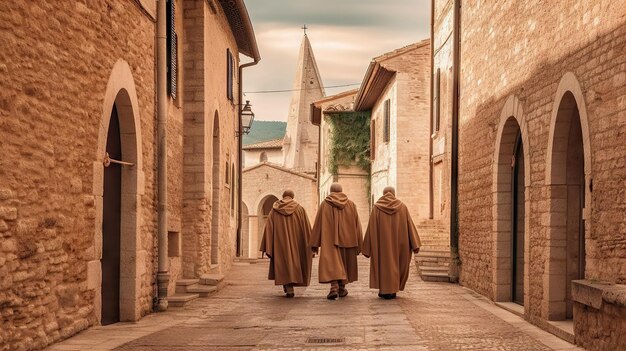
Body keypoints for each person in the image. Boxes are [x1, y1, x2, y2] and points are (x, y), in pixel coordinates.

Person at [362, 187, 421, 299]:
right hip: (399, 245)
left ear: (383, 194)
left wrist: (367, 248)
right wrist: (415, 245)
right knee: (397, 264)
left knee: (383, 265)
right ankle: (393, 289)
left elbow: (371, 229)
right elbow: (410, 226)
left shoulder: (376, 208)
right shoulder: (402, 207)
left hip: (381, 246)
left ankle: (384, 290)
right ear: (394, 194)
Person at [311, 183, 363, 300]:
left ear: (330, 191)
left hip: (329, 240)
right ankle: (341, 288)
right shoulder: (351, 204)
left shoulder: (324, 204)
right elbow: (357, 224)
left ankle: (334, 287)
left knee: (332, 263)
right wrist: (359, 242)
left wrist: (315, 243)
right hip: (348, 240)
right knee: (344, 263)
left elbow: (318, 223)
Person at [259, 190, 313, 297]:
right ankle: (290, 286)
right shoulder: (300, 209)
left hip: (280, 244)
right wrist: (310, 244)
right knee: (295, 263)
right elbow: (307, 229)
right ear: (293, 197)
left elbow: (268, 228)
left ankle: (288, 287)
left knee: (283, 263)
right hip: (297, 244)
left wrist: (268, 244)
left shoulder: (274, 210)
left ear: (283, 196)